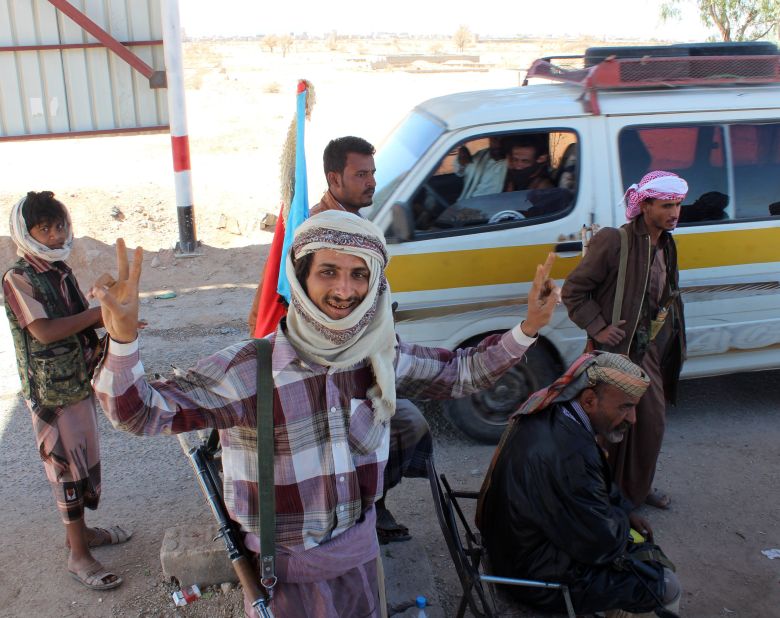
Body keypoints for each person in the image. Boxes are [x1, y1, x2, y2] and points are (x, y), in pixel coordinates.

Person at [90, 211, 560, 617]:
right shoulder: (250, 369)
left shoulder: (378, 355)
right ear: (300, 277)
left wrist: (527, 329)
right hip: (290, 583)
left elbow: (461, 373)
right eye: (328, 272)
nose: (344, 289)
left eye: (359, 275)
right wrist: (124, 340)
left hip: (361, 561)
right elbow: (139, 413)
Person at [249, 135, 431, 544]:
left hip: (362, 359)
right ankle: (359, 508)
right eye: (360, 174)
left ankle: (369, 501)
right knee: (399, 425)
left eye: (372, 173)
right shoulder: (317, 230)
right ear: (335, 178)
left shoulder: (355, 225)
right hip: (324, 370)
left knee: (409, 425)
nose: (370, 182)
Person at [479, 352, 681, 617]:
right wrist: (622, 523)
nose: (633, 418)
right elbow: (601, 544)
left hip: (516, 551)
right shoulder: (570, 456)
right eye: (625, 407)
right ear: (589, 400)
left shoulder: (557, 415)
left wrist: (625, 509)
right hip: (535, 577)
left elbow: (598, 488)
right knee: (664, 583)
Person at [3, 191, 132, 592]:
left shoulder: (61, 273)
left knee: (83, 462)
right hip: (50, 394)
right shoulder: (17, 278)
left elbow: (86, 324)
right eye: (46, 228)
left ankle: (82, 534)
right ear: (27, 232)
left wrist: (118, 322)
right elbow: (43, 330)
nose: (56, 235)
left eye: (60, 226)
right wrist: (101, 312)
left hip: (76, 382)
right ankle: (78, 556)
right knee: (65, 470)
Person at [561, 171, 688, 510]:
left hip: (648, 349)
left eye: (677, 205)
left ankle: (635, 489)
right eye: (666, 205)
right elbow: (574, 291)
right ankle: (609, 496)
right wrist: (598, 327)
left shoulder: (666, 243)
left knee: (649, 425)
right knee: (610, 427)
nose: (674, 212)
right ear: (644, 206)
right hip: (615, 352)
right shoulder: (615, 241)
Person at [454, 136, 507, 200]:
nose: (498, 144)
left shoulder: (513, 161)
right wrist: (461, 161)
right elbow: (460, 172)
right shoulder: (482, 154)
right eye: (495, 138)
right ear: (489, 139)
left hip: (491, 205)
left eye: (503, 140)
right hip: (469, 201)